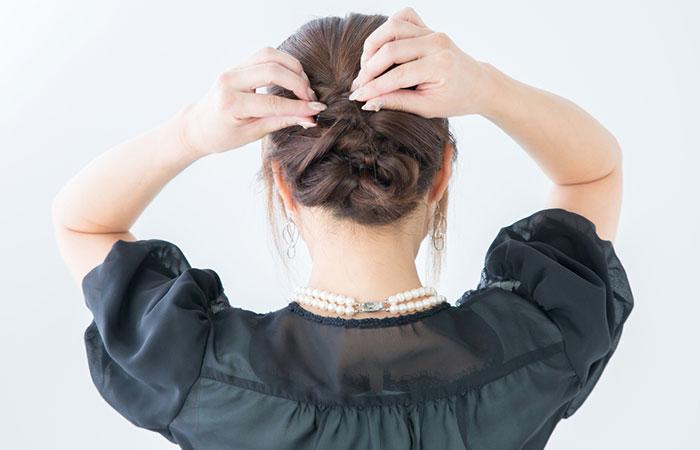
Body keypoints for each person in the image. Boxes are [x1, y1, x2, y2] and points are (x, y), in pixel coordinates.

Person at [52, 7, 634, 450]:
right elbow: (592, 173)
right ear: (442, 177)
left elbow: (83, 224)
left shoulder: (198, 368)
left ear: (283, 186)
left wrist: (191, 132)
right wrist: (487, 87)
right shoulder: (538, 342)